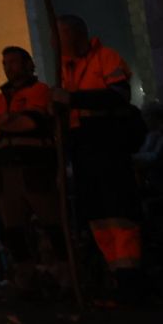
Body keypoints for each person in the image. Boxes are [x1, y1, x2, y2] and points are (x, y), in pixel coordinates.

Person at [55, 15, 143, 287]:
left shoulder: (107, 57)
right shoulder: (65, 67)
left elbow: (118, 94)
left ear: (74, 34)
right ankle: (114, 271)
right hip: (82, 143)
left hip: (106, 140)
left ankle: (130, 273)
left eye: (59, 35)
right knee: (95, 213)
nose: (55, 42)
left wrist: (72, 99)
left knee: (116, 208)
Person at [0, 45, 63, 281]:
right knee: (13, 227)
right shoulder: (0, 97)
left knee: (52, 222)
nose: (8, 67)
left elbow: (30, 123)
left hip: (35, 166)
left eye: (13, 62)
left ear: (27, 64)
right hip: (6, 170)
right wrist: (7, 119)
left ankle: (66, 274)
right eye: (5, 63)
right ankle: (27, 276)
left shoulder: (39, 91)